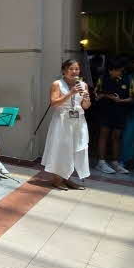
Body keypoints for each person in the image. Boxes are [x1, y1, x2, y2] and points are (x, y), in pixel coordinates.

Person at [40, 59, 90, 190]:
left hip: (78, 121)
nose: (74, 72)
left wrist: (86, 99)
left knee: (76, 149)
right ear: (64, 70)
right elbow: (54, 103)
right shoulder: (57, 84)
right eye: (71, 69)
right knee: (61, 150)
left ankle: (67, 178)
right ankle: (57, 180)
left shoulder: (83, 84)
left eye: (77, 69)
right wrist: (71, 93)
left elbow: (85, 106)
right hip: (62, 121)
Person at [93, 60, 133, 174]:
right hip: (105, 110)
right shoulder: (103, 79)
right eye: (118, 71)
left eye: (121, 70)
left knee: (116, 136)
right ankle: (101, 162)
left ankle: (115, 162)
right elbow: (96, 95)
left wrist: (121, 100)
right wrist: (107, 95)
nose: (120, 72)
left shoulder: (128, 80)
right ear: (111, 70)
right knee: (103, 134)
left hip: (120, 111)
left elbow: (133, 96)